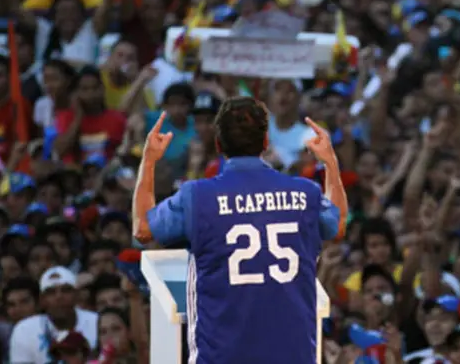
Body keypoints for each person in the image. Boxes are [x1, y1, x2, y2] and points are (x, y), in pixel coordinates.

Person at [131, 97, 348, 363]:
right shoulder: (305, 192)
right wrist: (330, 163)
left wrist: (149, 160)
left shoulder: (197, 196)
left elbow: (142, 229)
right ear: (266, 142)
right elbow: (337, 227)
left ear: (219, 144)